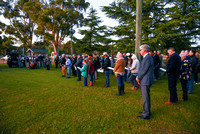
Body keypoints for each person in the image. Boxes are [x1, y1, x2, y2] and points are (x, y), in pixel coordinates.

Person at [136, 44, 154, 120]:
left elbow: (144, 70)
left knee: (145, 98)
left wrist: (138, 78)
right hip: (145, 79)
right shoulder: (147, 57)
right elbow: (142, 69)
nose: (140, 51)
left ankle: (146, 114)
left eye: (140, 50)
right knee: (145, 97)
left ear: (145, 50)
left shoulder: (147, 58)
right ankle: (146, 111)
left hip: (145, 80)